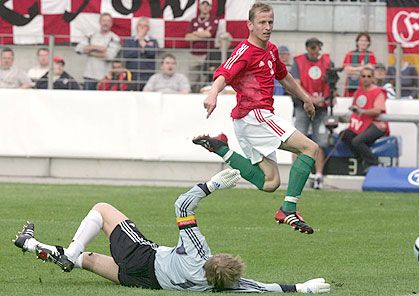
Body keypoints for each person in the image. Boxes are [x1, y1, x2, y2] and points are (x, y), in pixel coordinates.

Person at [13, 169, 331, 294]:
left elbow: (182, 206)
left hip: (143, 258)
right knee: (89, 259)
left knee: (102, 209)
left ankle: (67, 254)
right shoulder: (226, 288)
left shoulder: (198, 253)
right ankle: (29, 244)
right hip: (145, 281)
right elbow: (264, 288)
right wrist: (303, 288)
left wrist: (213, 184)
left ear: (215, 258)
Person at [193, 3, 319, 234]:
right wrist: (213, 93)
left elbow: (285, 77)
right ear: (250, 25)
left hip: (246, 122)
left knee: (270, 183)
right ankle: (288, 209)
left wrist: (305, 98)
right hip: (255, 115)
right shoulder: (245, 50)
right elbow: (224, 72)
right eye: (262, 22)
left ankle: (221, 149)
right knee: (310, 148)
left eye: (270, 22)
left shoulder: (270, 50)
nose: (267, 27)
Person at [290, 37, 335, 190]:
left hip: (321, 108)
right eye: (312, 48)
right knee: (297, 141)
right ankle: (295, 175)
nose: (315, 51)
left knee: (319, 143)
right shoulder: (298, 62)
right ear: (308, 48)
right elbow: (295, 84)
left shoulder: (328, 63)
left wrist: (326, 98)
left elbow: (332, 83)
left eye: (317, 47)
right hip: (302, 106)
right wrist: (309, 99)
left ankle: (319, 176)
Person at [340, 67, 388, 173]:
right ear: (360, 78)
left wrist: (362, 111)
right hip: (361, 123)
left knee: (357, 141)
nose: (366, 78)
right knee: (344, 135)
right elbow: (355, 108)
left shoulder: (378, 92)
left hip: (376, 125)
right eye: (363, 76)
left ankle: (373, 163)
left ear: (373, 78)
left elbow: (377, 110)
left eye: (368, 76)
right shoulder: (359, 91)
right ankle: (362, 159)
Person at [75, 13, 121, 90]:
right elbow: (78, 49)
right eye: (103, 20)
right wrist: (97, 48)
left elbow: (109, 56)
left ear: (111, 23)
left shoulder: (115, 38)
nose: (105, 23)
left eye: (108, 21)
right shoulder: (91, 35)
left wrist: (89, 51)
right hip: (89, 75)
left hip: (105, 77)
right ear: (100, 22)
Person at [185, 0, 219, 93]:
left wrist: (195, 33)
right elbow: (188, 37)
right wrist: (202, 34)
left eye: (207, 5)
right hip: (194, 54)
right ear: (199, 6)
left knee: (206, 79)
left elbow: (209, 34)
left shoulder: (213, 20)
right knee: (192, 79)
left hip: (207, 55)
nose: (205, 7)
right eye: (203, 4)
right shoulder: (194, 21)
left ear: (210, 7)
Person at [122, 17, 159, 91]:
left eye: (144, 26)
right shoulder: (129, 41)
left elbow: (151, 53)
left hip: (148, 77)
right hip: (132, 77)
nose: (142, 27)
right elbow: (127, 54)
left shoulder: (153, 41)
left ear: (148, 29)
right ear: (136, 27)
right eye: (140, 25)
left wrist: (142, 41)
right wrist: (141, 49)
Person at [342, 32, 376, 97]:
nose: (363, 43)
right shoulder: (350, 54)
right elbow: (347, 70)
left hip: (366, 87)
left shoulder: (371, 55)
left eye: (366, 41)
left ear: (368, 43)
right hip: (352, 87)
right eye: (361, 40)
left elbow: (372, 69)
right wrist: (362, 67)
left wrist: (354, 70)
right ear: (357, 42)